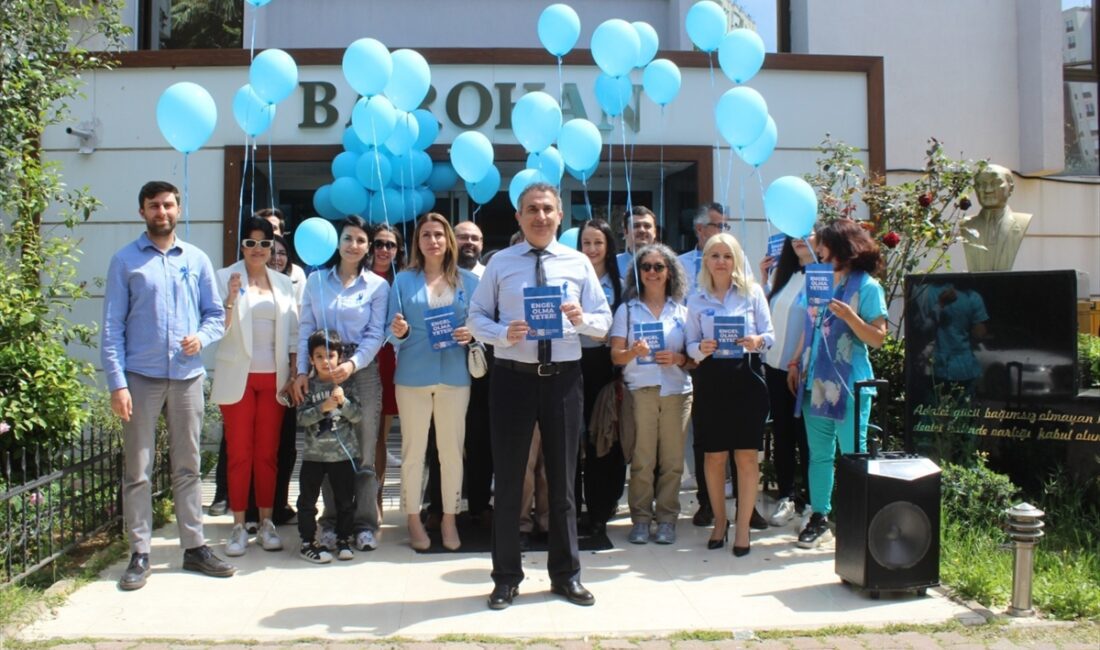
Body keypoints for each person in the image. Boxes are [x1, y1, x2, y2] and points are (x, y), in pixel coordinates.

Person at [468, 182, 612, 610]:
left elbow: (604, 323)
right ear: (518, 216)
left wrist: (582, 318)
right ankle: (506, 578)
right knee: (510, 483)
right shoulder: (500, 264)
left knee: (565, 483)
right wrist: (500, 334)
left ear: (560, 214)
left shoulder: (578, 263)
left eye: (547, 209)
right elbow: (475, 316)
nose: (540, 216)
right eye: (531, 209)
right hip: (512, 378)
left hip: (564, 379)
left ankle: (566, 576)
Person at [102, 180, 235, 590]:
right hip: (140, 378)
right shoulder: (125, 261)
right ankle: (140, 552)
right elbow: (111, 327)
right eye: (154, 206)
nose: (162, 212)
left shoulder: (195, 260)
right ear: (142, 211)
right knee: (138, 469)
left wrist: (203, 337)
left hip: (187, 376)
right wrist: (117, 383)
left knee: (188, 466)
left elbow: (215, 314)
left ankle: (194, 547)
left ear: (179, 209)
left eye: (168, 205)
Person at [787, 219, 887, 549]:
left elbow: (878, 339)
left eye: (824, 246)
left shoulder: (868, 287)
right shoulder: (819, 280)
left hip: (849, 384)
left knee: (853, 456)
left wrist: (850, 318)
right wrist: (795, 360)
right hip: (816, 380)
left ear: (842, 247)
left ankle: (857, 520)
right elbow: (810, 326)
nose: (818, 251)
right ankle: (819, 518)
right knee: (819, 455)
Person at [292, 215, 389, 552]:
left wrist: (351, 364)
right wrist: (303, 372)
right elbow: (306, 328)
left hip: (360, 373)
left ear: (368, 248)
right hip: (321, 374)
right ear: (337, 242)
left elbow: (376, 333)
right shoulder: (316, 281)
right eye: (348, 238)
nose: (354, 245)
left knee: (362, 451)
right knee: (328, 451)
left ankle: (363, 524)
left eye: (362, 240)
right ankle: (331, 521)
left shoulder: (377, 286)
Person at [388, 213, 479, 551]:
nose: (433, 241)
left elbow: (483, 327)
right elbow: (390, 331)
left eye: (439, 234)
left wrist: (472, 333)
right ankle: (413, 518)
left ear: (448, 240)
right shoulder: (403, 281)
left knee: (452, 453)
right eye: (426, 235)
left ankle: (449, 519)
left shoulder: (469, 282)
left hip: (455, 375)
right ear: (418, 242)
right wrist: (400, 331)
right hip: (412, 375)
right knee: (413, 452)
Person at [210, 217, 300, 557]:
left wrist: (293, 372)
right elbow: (216, 329)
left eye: (265, 243)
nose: (258, 249)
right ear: (242, 245)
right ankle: (238, 524)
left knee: (267, 454)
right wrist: (231, 298)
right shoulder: (224, 278)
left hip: (273, 378)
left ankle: (265, 522)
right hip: (238, 377)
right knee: (239, 454)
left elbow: (293, 334)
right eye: (251, 243)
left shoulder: (284, 283)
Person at [685, 233, 774, 556]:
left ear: (736, 259)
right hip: (711, 380)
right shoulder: (696, 299)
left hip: (747, 378)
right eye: (714, 255)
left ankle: (744, 526)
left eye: (727, 255)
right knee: (714, 456)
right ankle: (720, 522)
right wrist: (700, 348)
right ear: (706, 261)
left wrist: (756, 340)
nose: (721, 261)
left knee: (747, 456)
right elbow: (689, 345)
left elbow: (770, 335)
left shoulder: (752, 294)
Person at [610, 244, 693, 545]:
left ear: (670, 271)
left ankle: (668, 519)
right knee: (643, 459)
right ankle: (641, 519)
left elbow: (694, 359)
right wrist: (633, 351)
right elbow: (616, 356)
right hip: (640, 391)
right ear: (638, 273)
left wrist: (678, 359)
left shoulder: (684, 311)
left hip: (676, 392)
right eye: (646, 267)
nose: (652, 272)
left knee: (672, 461)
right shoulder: (627, 310)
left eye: (659, 267)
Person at [759, 236, 814, 526]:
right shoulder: (787, 276)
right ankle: (787, 496)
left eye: (807, 236)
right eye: (795, 238)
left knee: (806, 436)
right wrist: (764, 278)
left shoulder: (822, 278)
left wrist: (799, 361)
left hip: (805, 370)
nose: (800, 242)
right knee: (782, 433)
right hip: (776, 367)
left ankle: (810, 500)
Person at [577, 218, 626, 538]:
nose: (592, 249)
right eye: (586, 243)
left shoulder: (620, 283)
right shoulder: (570, 278)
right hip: (572, 364)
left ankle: (600, 508)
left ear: (608, 246)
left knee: (604, 439)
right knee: (573, 441)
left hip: (606, 368)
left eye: (598, 243)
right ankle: (576, 506)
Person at [296, 329, 363, 563]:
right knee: (307, 502)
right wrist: (321, 408)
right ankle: (307, 542)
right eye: (319, 356)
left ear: (340, 357)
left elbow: (357, 417)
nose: (325, 361)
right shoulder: (307, 386)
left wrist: (343, 402)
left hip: (343, 456)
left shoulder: (349, 385)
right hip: (314, 456)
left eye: (330, 356)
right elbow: (300, 419)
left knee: (345, 501)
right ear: (311, 359)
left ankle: (344, 539)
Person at [455, 220, 494, 526]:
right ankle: (440, 506)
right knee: (441, 440)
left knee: (480, 439)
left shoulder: (491, 277)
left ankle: (480, 504)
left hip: (484, 370)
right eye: (462, 237)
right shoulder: (439, 277)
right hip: (443, 366)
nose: (469, 242)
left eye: (475, 238)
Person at [369, 223, 406, 509]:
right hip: (363, 360)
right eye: (379, 243)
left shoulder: (403, 280)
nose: (384, 249)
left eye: (390, 245)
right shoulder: (359, 276)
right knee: (364, 437)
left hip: (395, 361)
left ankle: (377, 499)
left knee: (381, 435)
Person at [962, 164, 1032, 272]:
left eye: (995, 183)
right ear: (975, 189)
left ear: (1011, 188)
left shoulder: (1022, 221)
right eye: (981, 184)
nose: (988, 190)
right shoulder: (966, 224)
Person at [678, 203, 730, 296]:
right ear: (700, 229)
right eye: (719, 226)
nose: (723, 232)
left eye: (725, 226)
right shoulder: (680, 264)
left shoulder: (737, 259)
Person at [257, 207, 308, 289]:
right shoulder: (246, 271)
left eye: (274, 228)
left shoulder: (296, 273)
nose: (269, 232)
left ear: (282, 234)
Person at [615, 206, 658, 277]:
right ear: (626, 232)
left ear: (655, 232)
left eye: (647, 226)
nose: (642, 230)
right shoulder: (613, 264)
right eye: (636, 226)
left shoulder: (667, 263)